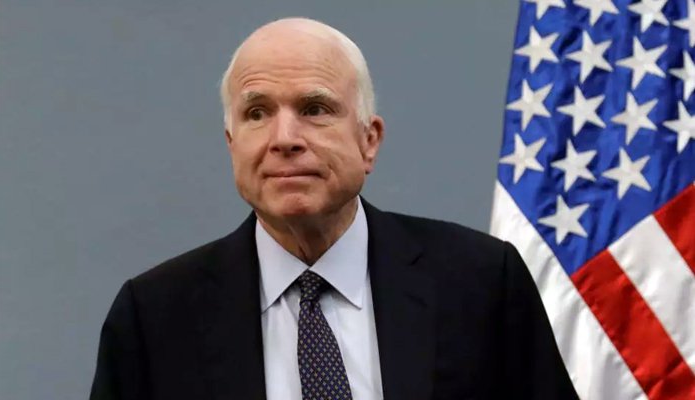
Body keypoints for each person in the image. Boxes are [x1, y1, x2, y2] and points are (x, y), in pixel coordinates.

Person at [90, 17, 579, 400]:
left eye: (314, 109)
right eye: (257, 113)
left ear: (369, 141)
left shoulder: (482, 282)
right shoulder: (152, 318)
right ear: (231, 144)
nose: (284, 139)